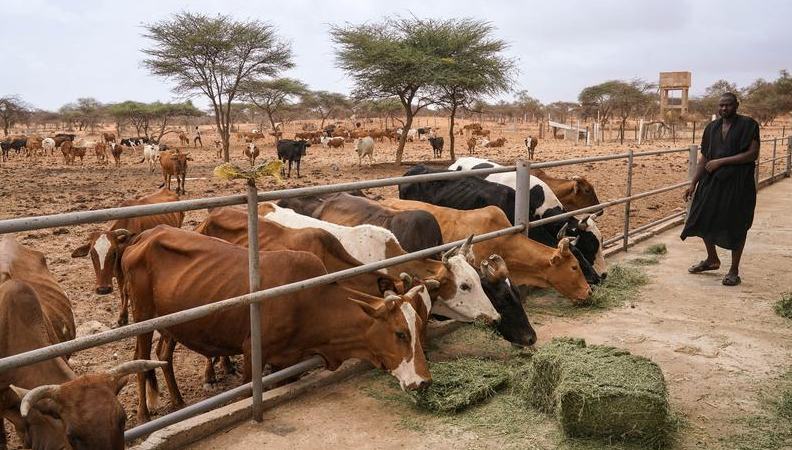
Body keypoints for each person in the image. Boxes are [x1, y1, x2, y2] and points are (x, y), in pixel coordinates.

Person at [681, 93, 760, 286]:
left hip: (738, 184)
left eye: (728, 105)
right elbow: (704, 158)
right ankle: (712, 259)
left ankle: (734, 270)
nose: (724, 109)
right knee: (702, 217)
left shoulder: (748, 125)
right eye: (721, 105)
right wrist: (693, 183)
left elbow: (752, 154)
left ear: (737, 105)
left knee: (737, 223)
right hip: (712, 181)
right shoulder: (712, 128)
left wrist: (721, 162)